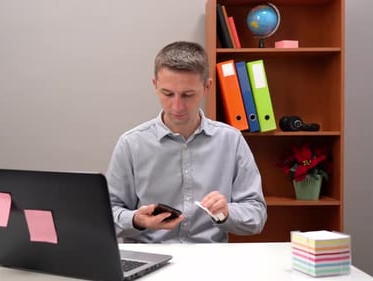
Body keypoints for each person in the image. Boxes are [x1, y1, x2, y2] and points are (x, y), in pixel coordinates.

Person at [105, 41, 267, 243]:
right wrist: (137, 220)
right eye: (168, 94)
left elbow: (257, 216)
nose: (177, 106)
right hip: (151, 255)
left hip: (209, 260)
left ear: (207, 87)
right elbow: (106, 215)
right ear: (155, 85)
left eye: (188, 95)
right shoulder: (131, 144)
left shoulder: (231, 141)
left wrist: (227, 213)